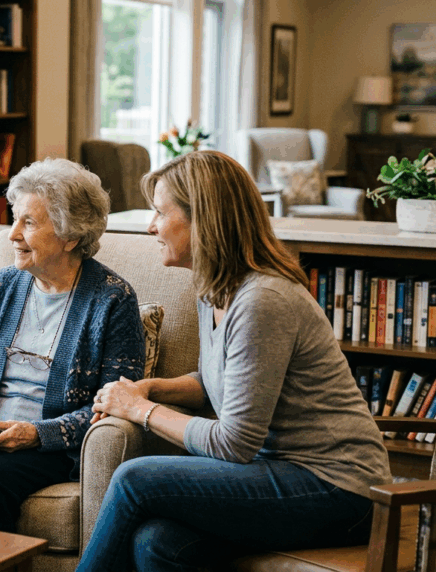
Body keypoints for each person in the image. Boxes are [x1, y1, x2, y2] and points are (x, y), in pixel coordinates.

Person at [77, 151, 392, 572]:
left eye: (160, 213)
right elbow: (215, 382)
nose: (151, 227)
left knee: (134, 480)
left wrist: (140, 409)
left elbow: (233, 444)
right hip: (278, 470)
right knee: (158, 543)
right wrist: (150, 387)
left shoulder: (262, 300)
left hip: (339, 488)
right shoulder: (214, 289)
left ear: (204, 220)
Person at [0, 157, 146, 532]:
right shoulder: (3, 286)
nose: (12, 234)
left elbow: (115, 406)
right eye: (15, 218)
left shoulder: (112, 300)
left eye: (29, 223)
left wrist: (38, 433)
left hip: (50, 444)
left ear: (70, 236)